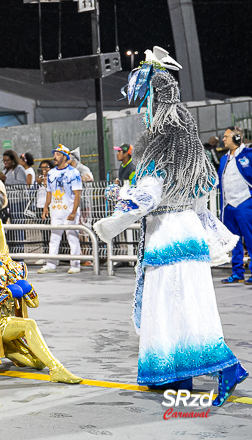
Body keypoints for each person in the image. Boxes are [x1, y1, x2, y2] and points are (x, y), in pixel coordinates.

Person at [94, 59, 246, 406]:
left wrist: (116, 212)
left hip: (167, 239)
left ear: (154, 103)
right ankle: (174, 375)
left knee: (181, 308)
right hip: (184, 236)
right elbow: (197, 202)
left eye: (145, 103)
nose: (142, 113)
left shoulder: (160, 149)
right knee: (177, 306)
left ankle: (228, 368)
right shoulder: (187, 148)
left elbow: (148, 196)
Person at [39, 145, 82, 274]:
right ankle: (51, 264)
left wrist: (74, 212)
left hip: (69, 211)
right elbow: (49, 192)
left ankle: (75, 264)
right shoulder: (51, 173)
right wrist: (46, 207)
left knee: (72, 236)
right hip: (56, 211)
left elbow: (78, 194)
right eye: (55, 154)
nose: (54, 157)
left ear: (65, 156)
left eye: (57, 154)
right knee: (54, 237)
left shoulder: (74, 172)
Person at [219, 126, 252, 285]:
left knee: (250, 239)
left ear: (237, 139)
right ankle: (237, 273)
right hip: (228, 205)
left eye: (226, 136)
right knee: (234, 241)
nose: (223, 139)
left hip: (244, 202)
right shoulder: (224, 158)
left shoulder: (248, 155)